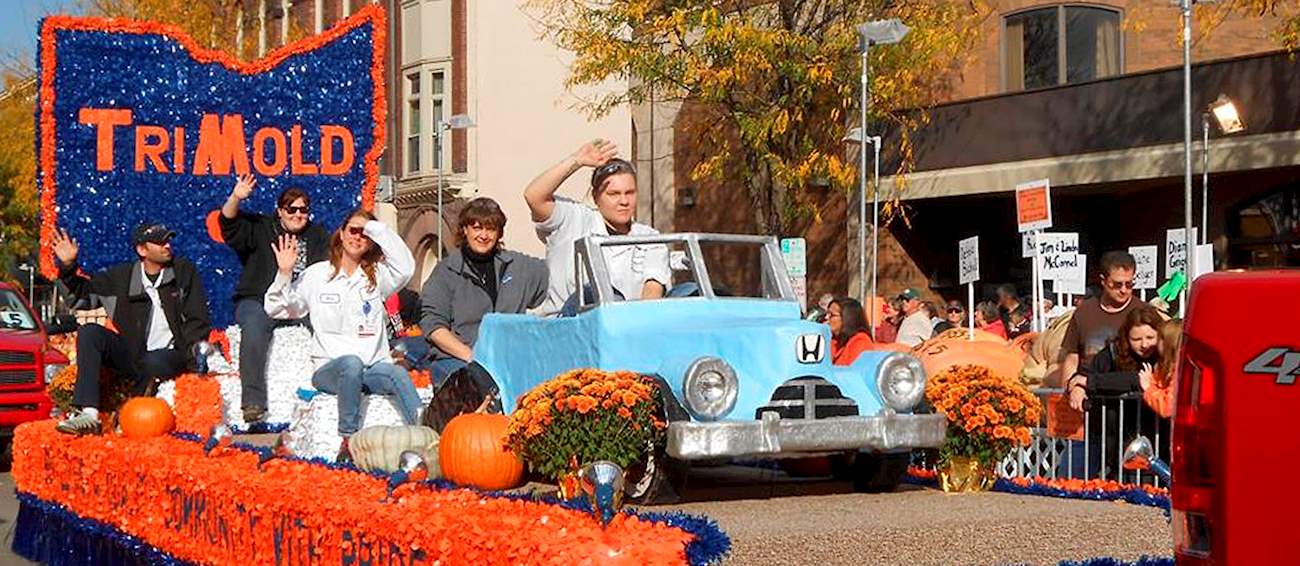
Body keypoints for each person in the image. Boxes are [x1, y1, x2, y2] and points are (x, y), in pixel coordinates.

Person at [264, 209, 420, 460]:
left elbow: (406, 268)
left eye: (365, 234)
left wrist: (375, 229)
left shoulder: (377, 277)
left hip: (372, 369)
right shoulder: (318, 275)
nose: (358, 237)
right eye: (353, 230)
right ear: (341, 233)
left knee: (397, 373)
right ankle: (348, 440)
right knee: (351, 363)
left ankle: (428, 434)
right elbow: (278, 308)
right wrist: (284, 273)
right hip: (330, 371)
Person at [52, 224, 211, 435]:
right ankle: (88, 414)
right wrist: (68, 267)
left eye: (168, 240)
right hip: (133, 355)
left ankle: (126, 417)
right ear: (142, 250)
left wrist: (193, 361)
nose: (167, 246)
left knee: (154, 362)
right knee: (90, 331)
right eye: (160, 242)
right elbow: (82, 298)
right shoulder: (120, 278)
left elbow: (197, 320)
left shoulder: (183, 271)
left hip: (172, 355)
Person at [218, 175, 331, 423]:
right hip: (257, 299)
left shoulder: (318, 235)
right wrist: (236, 196)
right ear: (280, 211)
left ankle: (330, 391)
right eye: (291, 209)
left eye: (303, 209)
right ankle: (253, 402)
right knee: (255, 327)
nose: (298, 214)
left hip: (300, 303)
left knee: (327, 323)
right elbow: (228, 223)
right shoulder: (261, 227)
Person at [524, 140, 670, 315]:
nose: (624, 201)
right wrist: (576, 161)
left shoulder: (649, 237)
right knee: (600, 294)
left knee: (690, 291)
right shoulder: (574, 218)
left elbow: (653, 289)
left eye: (629, 193)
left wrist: (640, 325)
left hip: (626, 324)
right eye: (614, 194)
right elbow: (534, 196)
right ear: (595, 196)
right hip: (571, 323)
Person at [420, 197, 548, 385]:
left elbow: (559, 276)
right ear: (465, 229)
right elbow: (434, 327)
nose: (484, 235)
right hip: (459, 360)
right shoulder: (446, 271)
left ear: (499, 233)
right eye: (477, 228)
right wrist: (472, 357)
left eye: (490, 229)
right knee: (478, 387)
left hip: (508, 360)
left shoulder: (519, 266)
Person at [1064, 307, 1163, 479]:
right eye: (1136, 339)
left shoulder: (1165, 354)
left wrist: (1091, 382)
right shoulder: (1112, 352)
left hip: (1156, 438)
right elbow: (1085, 372)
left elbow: (1138, 380)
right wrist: (1078, 387)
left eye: (1150, 338)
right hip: (1117, 440)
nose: (1144, 344)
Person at [1058, 251, 1141, 390]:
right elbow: (1072, 358)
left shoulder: (1142, 312)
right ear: (1103, 281)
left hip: (1128, 399)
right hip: (1088, 397)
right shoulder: (1084, 312)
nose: (1124, 290)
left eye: (1129, 284)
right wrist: (1069, 390)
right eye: (1117, 284)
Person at [1143, 319, 1183, 419]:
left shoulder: (1179, 369)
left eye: (1160, 338)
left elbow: (1168, 407)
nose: (1156, 343)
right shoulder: (1167, 366)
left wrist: (1148, 388)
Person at [827, 297, 874, 365]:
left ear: (847, 318)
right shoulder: (833, 339)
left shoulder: (860, 342)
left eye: (832, 315)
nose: (826, 318)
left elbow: (855, 372)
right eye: (827, 314)